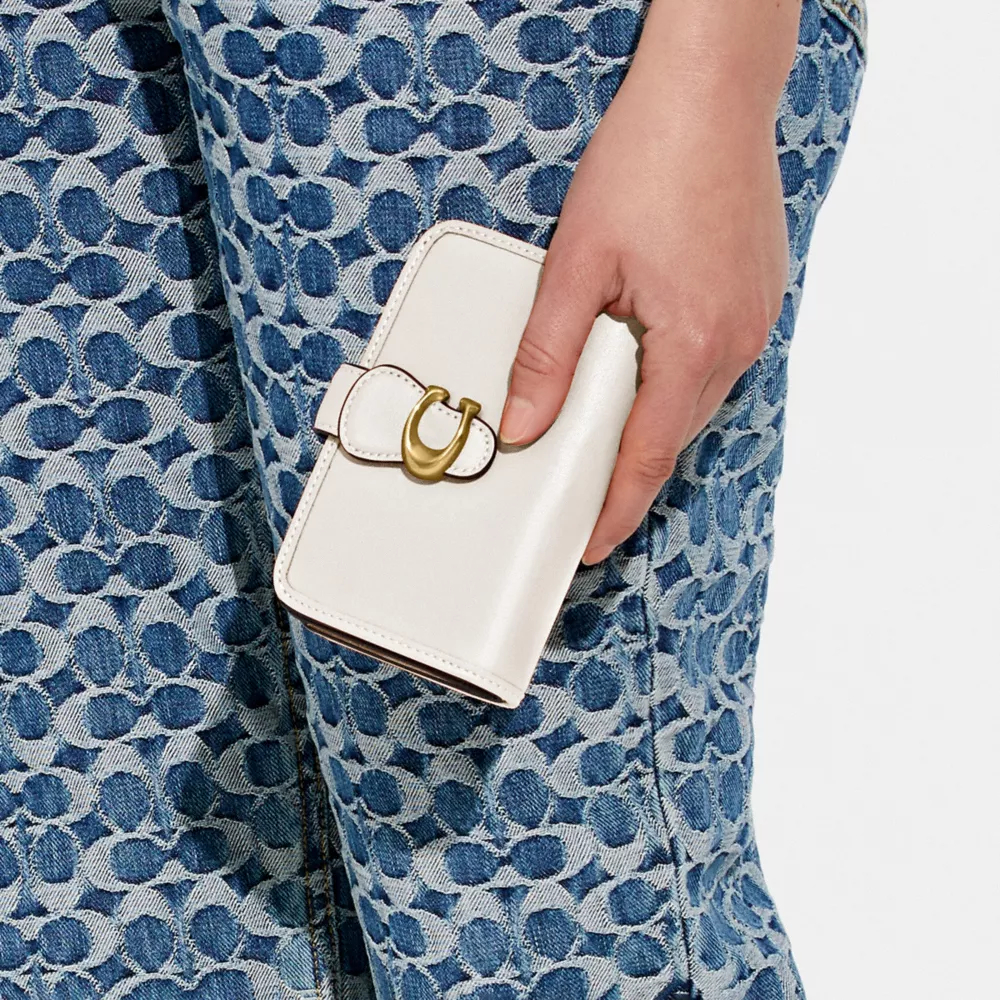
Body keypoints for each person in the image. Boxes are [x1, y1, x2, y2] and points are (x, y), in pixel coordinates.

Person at [0, 1, 865, 997]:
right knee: (130, 879)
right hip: (50, 59)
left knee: (537, 892)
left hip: (480, 46)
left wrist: (714, 72)